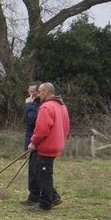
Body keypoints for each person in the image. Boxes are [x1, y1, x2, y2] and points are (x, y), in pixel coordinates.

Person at [27, 83, 70, 211]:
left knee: (44, 175)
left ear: (45, 92)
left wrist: (33, 143)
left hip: (46, 146)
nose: (38, 94)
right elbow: (67, 127)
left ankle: (45, 204)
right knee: (42, 173)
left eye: (40, 92)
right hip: (56, 145)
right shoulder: (61, 106)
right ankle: (53, 197)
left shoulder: (46, 107)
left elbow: (41, 130)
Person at [23, 81, 42, 206]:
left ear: (39, 92)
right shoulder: (34, 103)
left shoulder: (41, 105)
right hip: (31, 140)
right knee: (33, 171)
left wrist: (28, 105)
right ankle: (33, 197)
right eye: (29, 90)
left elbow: (32, 120)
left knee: (37, 171)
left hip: (37, 143)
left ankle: (50, 196)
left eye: (32, 91)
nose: (30, 94)